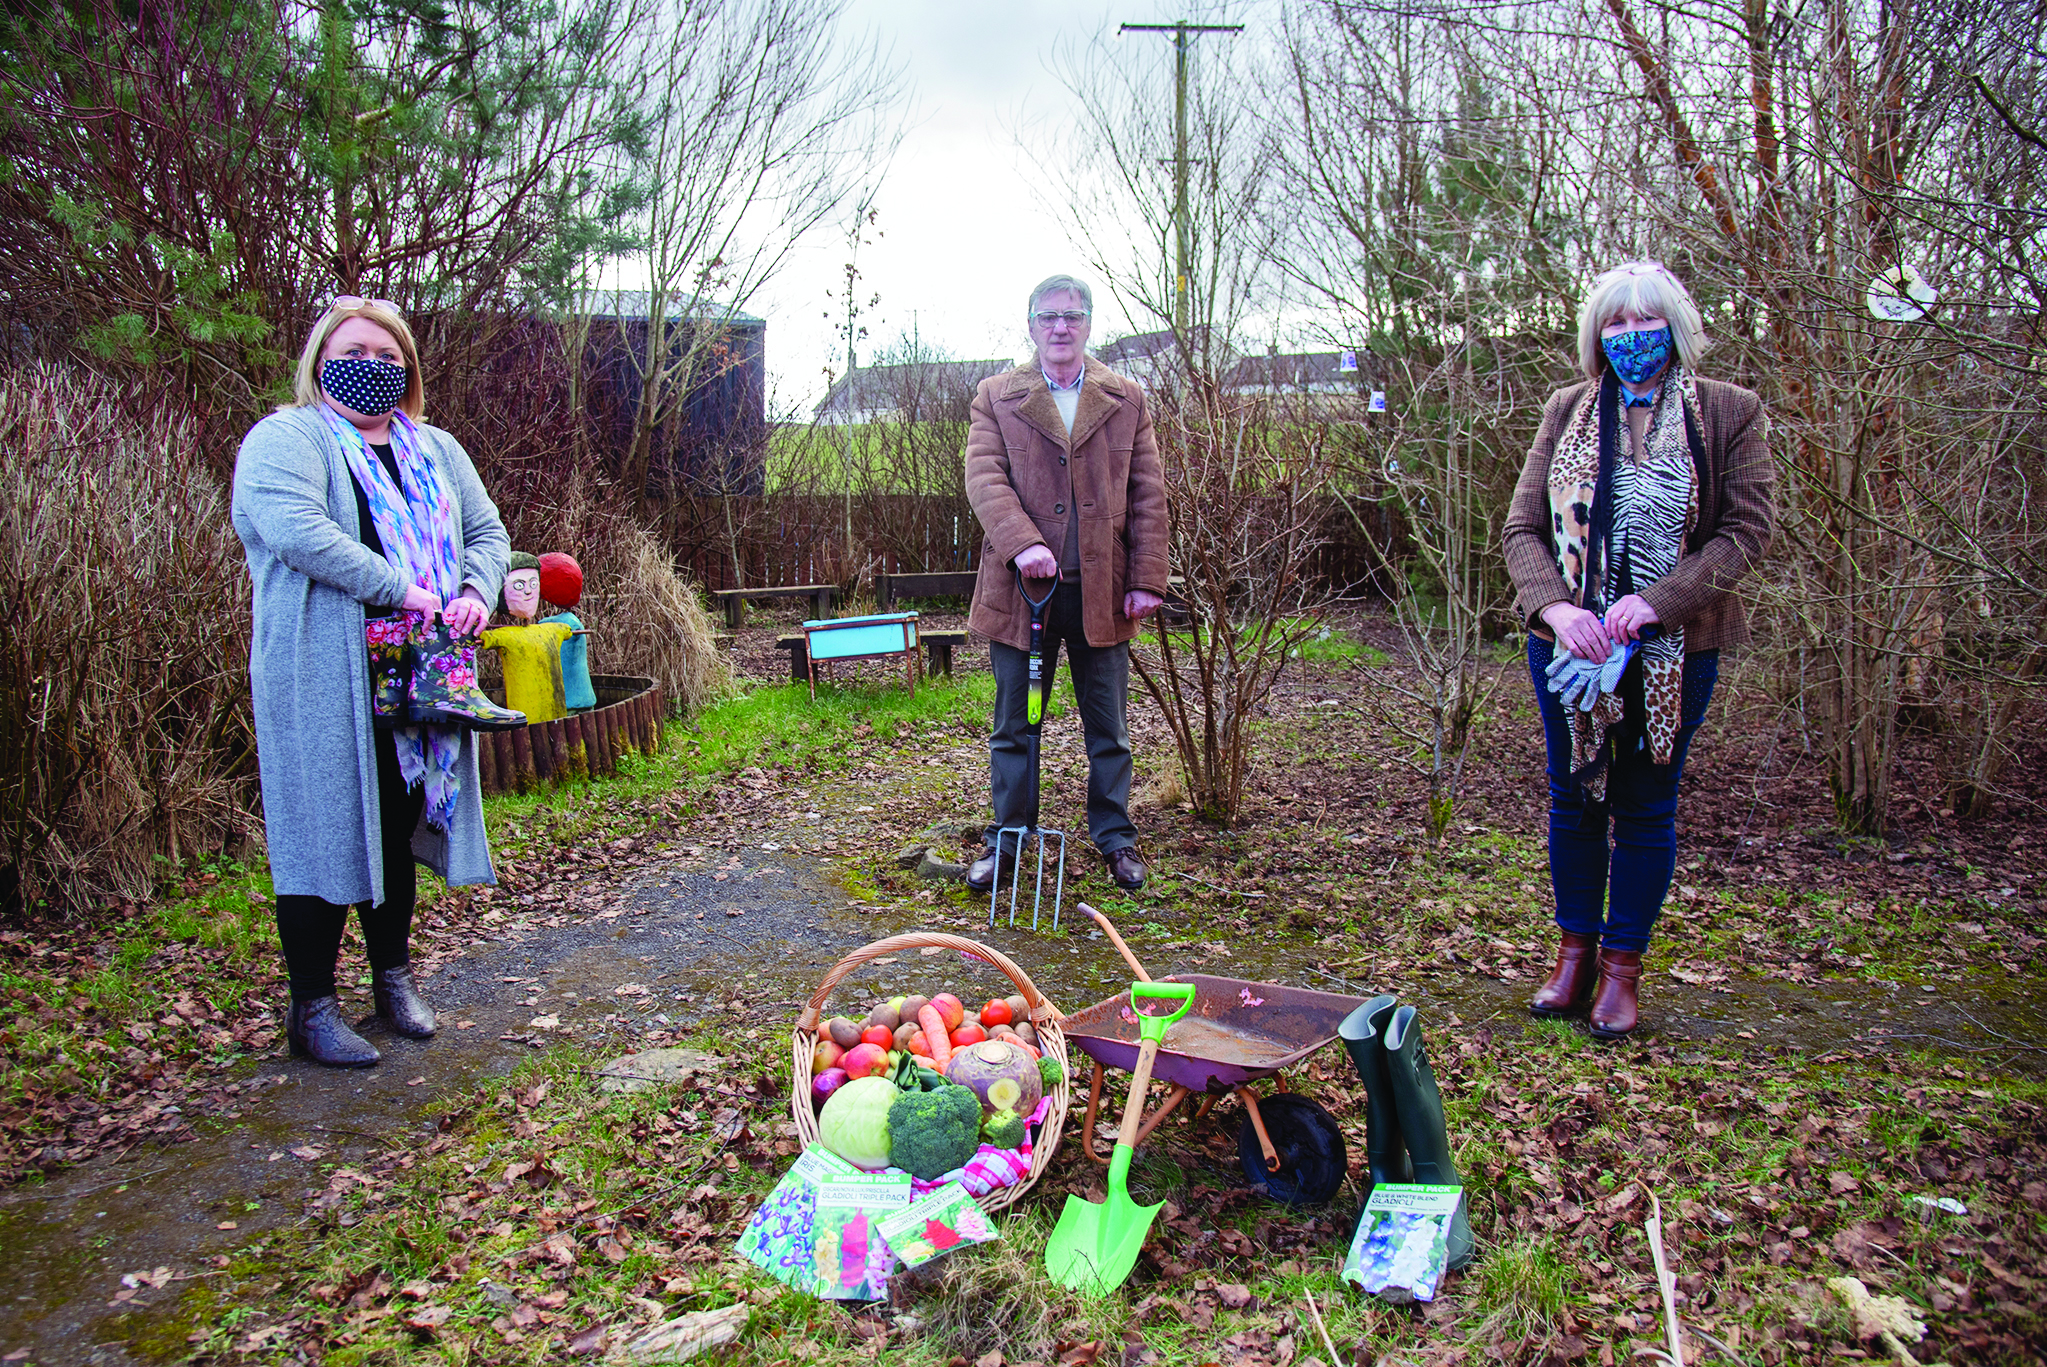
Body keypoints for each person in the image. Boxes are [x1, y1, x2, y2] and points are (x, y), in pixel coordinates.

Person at [232, 297, 514, 1067]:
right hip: (324, 671)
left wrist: (469, 591)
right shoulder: (285, 439)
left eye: (392, 357)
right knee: (321, 828)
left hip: (422, 672)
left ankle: (393, 981)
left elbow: (487, 533)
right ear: (322, 357)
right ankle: (313, 1007)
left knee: (396, 822)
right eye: (357, 349)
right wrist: (398, 586)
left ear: (410, 370)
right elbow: (297, 531)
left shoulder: (438, 449)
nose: (375, 365)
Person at [1502, 261, 1775, 1040]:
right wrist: (1556, 607)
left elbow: (1745, 532)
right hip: (1569, 653)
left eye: (1644, 320)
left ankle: (1622, 970)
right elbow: (1521, 529)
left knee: (1645, 808)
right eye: (1614, 324)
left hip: (1673, 652)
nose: (1630, 336)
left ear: (1676, 327)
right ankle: (1573, 956)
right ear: (1596, 335)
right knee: (1573, 798)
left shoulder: (1728, 412)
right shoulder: (1566, 411)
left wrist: (1652, 605)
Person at [962, 274, 1170, 892]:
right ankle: (1009, 842)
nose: (1061, 328)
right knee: (1015, 725)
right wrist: (1023, 543)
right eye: (1049, 317)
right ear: (1030, 325)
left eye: (1072, 317)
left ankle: (1115, 839)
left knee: (1108, 728)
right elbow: (985, 477)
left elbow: (1147, 494)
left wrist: (1147, 577)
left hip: (1102, 594)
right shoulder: (997, 396)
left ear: (1088, 325)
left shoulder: (1125, 399)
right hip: (1022, 593)